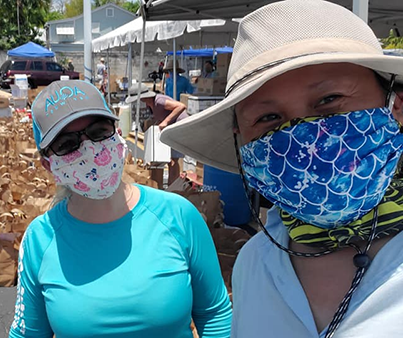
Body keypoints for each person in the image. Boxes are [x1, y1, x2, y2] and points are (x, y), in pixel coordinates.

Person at [161, 1, 403, 337]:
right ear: (242, 143)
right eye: (268, 119)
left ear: (395, 106)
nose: (302, 137)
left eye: (329, 100)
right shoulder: (255, 263)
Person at [9, 80, 232, 338]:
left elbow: (215, 315)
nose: (89, 148)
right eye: (67, 144)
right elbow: (28, 334)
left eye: (98, 130)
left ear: (116, 133)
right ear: (49, 165)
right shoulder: (41, 238)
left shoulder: (179, 216)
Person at [126, 83, 188, 187]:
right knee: (171, 160)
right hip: (172, 130)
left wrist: (166, 122)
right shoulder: (151, 105)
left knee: (173, 160)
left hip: (179, 128)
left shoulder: (159, 101)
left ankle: (173, 187)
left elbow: (181, 106)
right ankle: (173, 186)